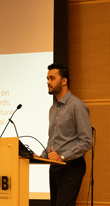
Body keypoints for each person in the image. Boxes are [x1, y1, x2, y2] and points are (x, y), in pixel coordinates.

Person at [39, 63, 93, 206]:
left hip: (72, 166)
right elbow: (54, 141)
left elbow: (87, 141)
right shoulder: (53, 108)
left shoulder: (77, 106)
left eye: (52, 78)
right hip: (55, 166)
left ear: (64, 81)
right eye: (47, 78)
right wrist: (39, 156)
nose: (48, 82)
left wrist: (62, 156)